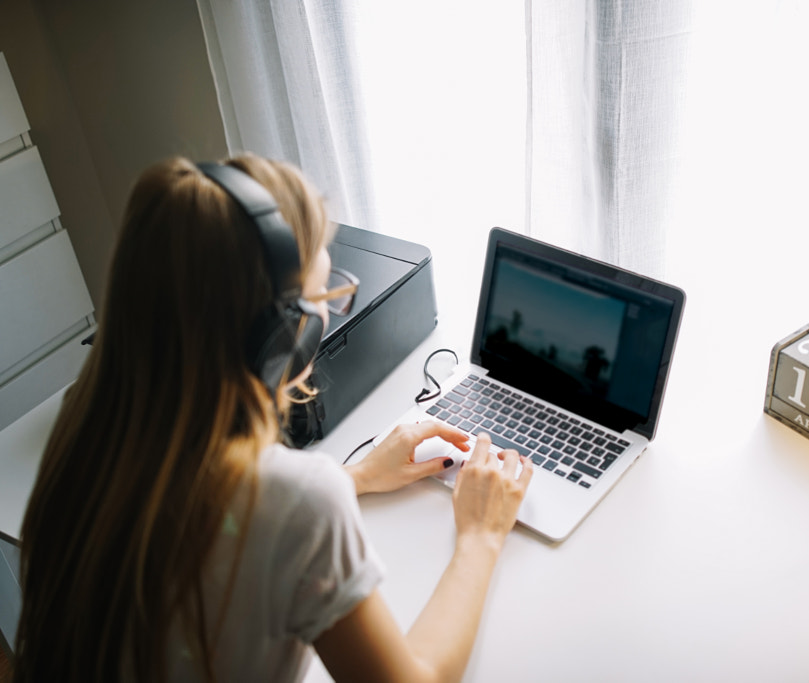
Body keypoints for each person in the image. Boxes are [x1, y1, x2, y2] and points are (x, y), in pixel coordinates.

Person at [12, 154, 532, 682]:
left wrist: (358, 478)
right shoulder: (298, 500)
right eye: (323, 297)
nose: (327, 314)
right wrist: (481, 536)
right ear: (282, 338)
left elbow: (207, 521)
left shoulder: (83, 437)